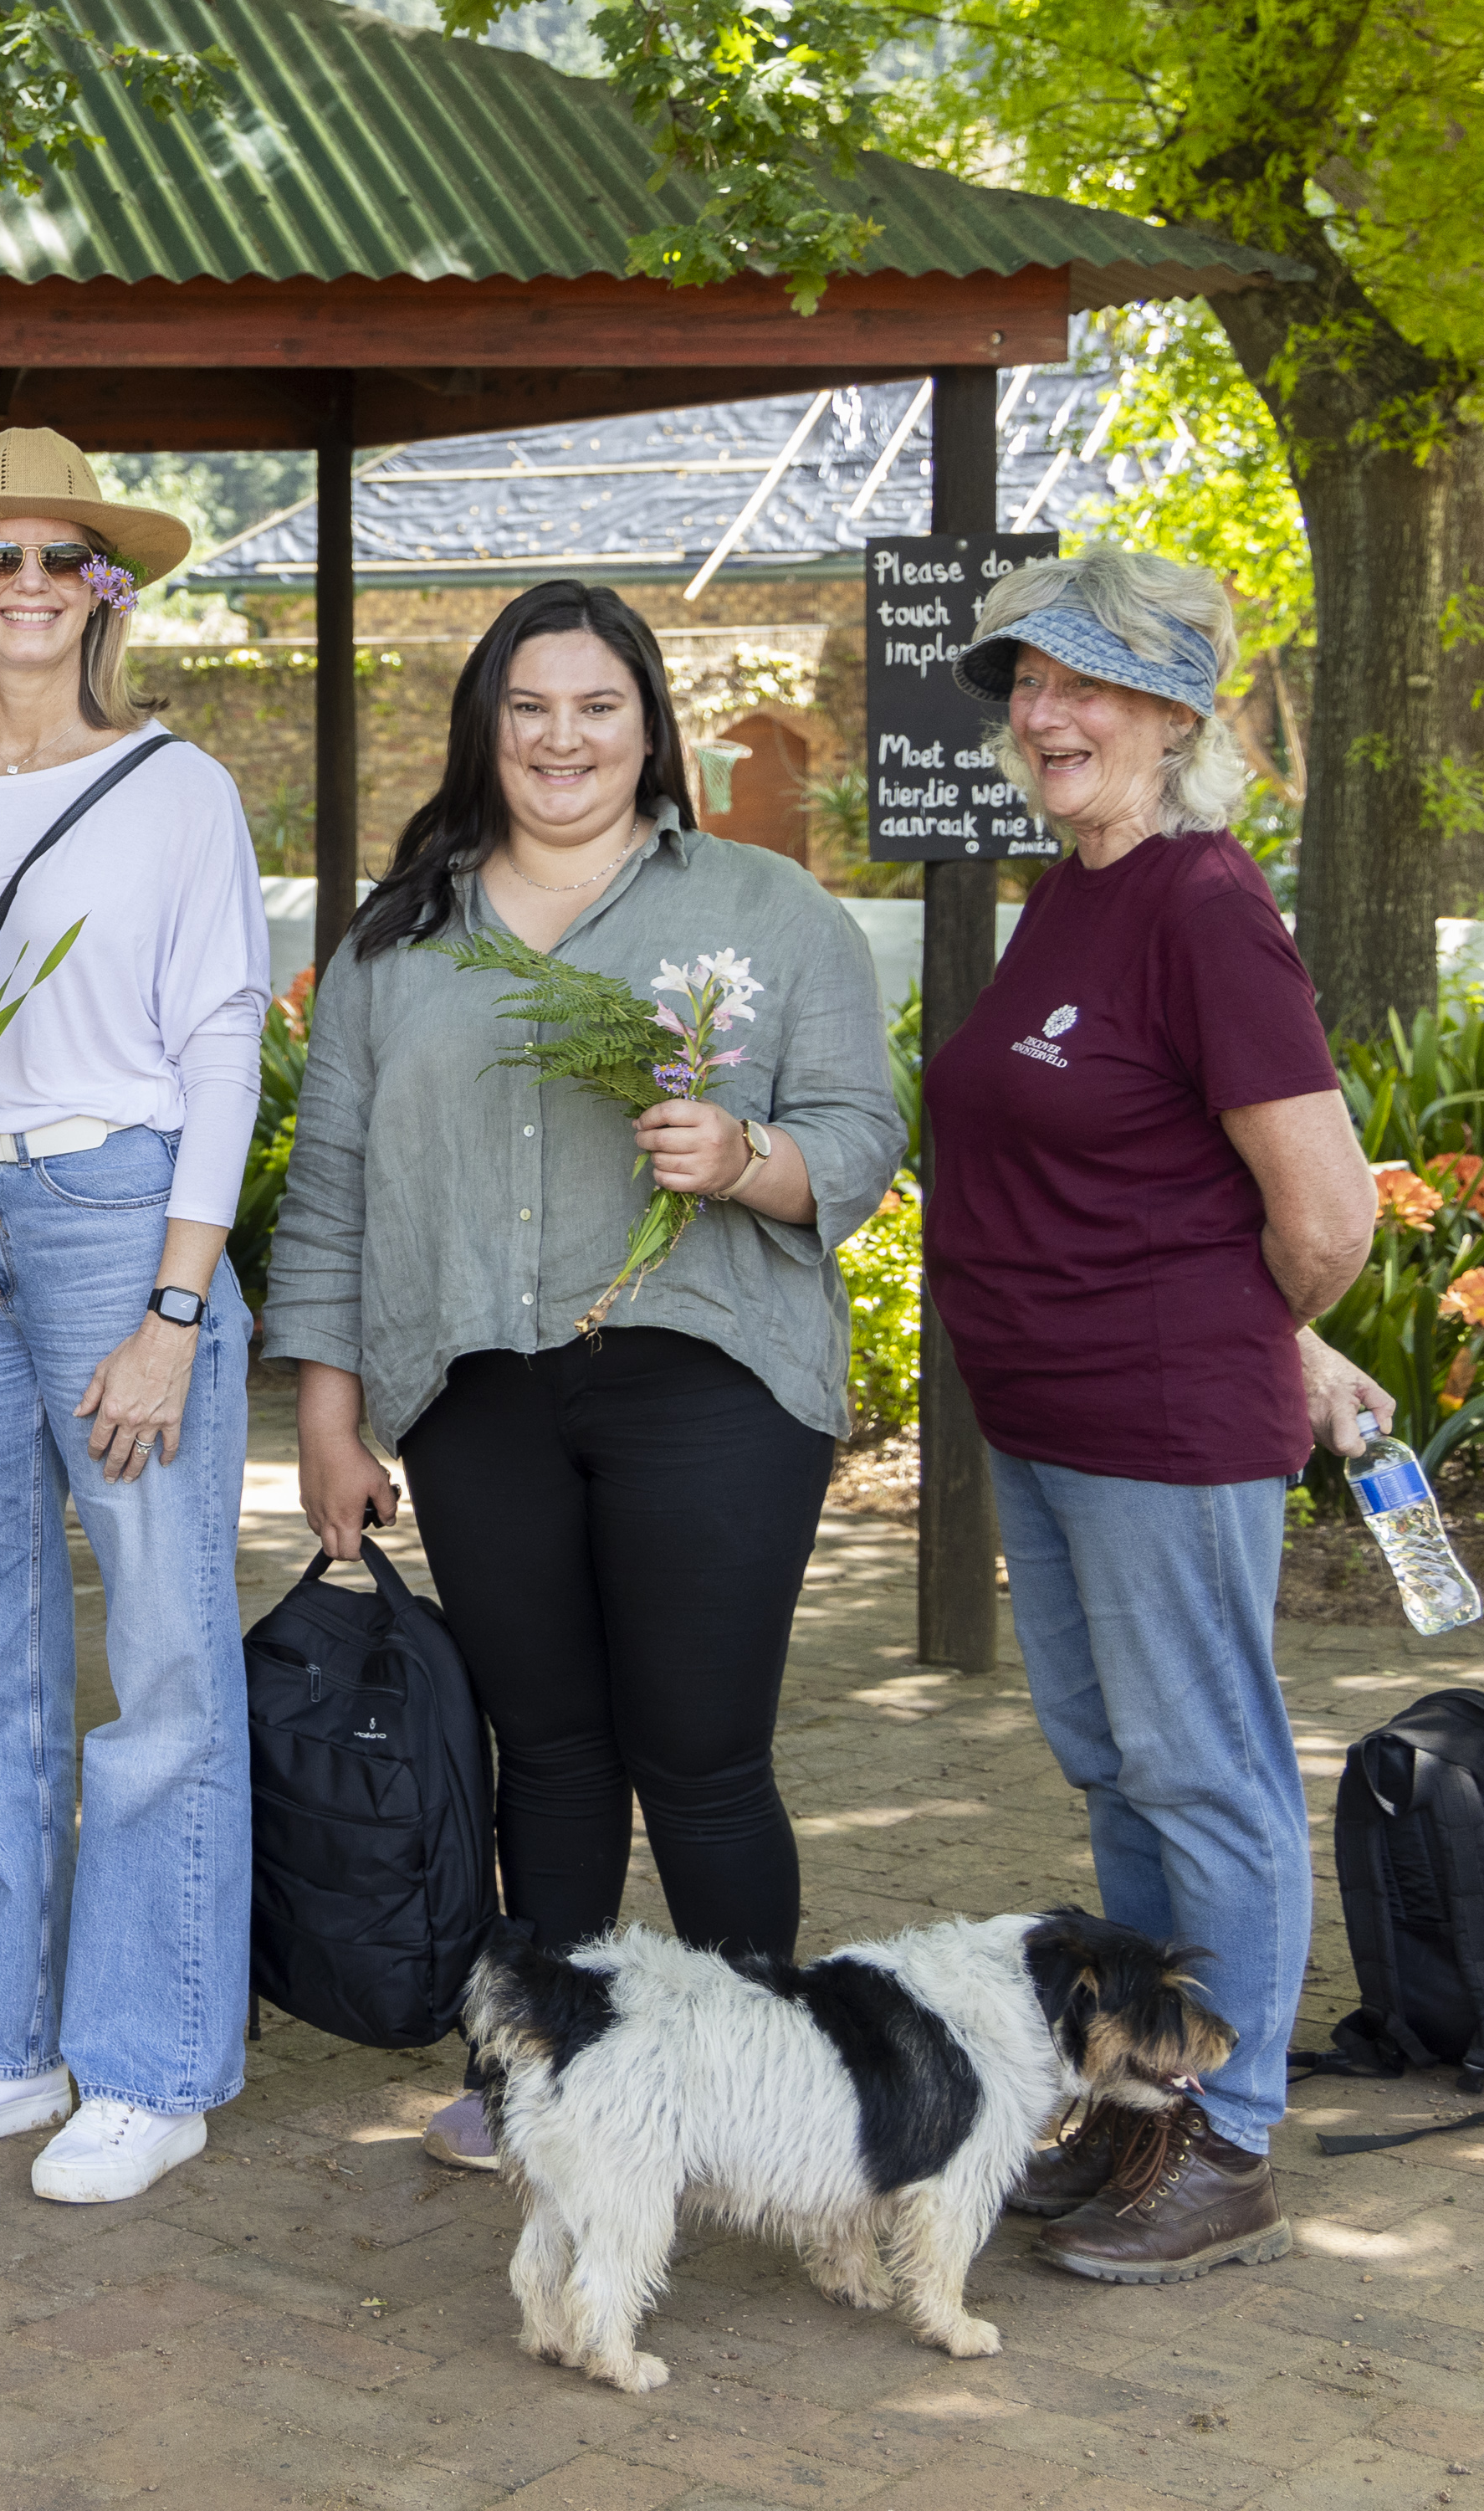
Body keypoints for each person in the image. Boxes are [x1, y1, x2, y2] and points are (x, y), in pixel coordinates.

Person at [269, 577, 903, 2170]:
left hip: (707, 1378)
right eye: (530, 707)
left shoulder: (767, 910)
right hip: (479, 1394)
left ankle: (766, 2099)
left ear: (648, 726)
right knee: (542, 1752)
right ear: (488, 727)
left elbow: (866, 1136)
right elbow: (330, 1187)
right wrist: (328, 1421)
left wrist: (747, 1156)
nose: (563, 738)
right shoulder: (396, 943)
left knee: (697, 1755)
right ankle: (546, 2085)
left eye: (597, 707)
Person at [925, 546, 1382, 2282]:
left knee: (1209, 1774)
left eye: (1087, 683)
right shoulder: (1075, 890)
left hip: (1158, 1420)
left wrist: (1244, 1331)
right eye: (1030, 684)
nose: (1046, 713)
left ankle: (1234, 2133)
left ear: (1178, 711)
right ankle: (1143, 2092)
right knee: (1123, 1770)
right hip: (1045, 1419)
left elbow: (1325, 1215)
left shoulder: (1201, 902)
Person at [0, 428, 271, 2206]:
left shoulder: (179, 787)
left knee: (163, 1654)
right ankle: (1, 2042)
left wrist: (176, 1304)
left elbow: (224, 1046)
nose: (22, 584)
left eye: (58, 558)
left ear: (101, 589)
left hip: (118, 1211)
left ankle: (155, 2060)